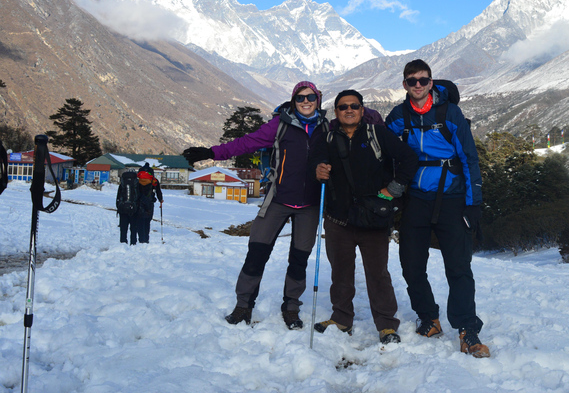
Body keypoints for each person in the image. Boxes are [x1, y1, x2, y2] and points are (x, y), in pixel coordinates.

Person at [182, 81, 327, 330]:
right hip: (277, 200)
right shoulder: (280, 125)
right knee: (256, 253)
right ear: (293, 101)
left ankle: (291, 307)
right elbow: (246, 143)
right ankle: (243, 305)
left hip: (310, 205)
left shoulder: (327, 128)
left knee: (299, 259)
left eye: (310, 97)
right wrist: (211, 152)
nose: (306, 101)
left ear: (318, 99)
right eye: (300, 97)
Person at [385, 59, 490, 358]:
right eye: (411, 80)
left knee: (458, 267)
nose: (417, 85)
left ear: (431, 83)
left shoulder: (449, 113)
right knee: (411, 263)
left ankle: (468, 329)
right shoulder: (398, 116)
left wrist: (474, 204)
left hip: (452, 198)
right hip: (416, 198)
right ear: (404, 84)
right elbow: (380, 149)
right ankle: (428, 317)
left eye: (423, 80)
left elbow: (469, 159)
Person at [311, 90, 418, 344]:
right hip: (338, 219)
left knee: (377, 273)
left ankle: (386, 325)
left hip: (373, 218)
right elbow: (314, 161)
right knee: (341, 271)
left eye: (354, 106)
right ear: (336, 111)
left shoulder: (376, 134)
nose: (349, 110)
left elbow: (409, 158)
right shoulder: (326, 136)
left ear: (362, 110)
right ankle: (341, 318)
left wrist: (394, 189)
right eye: (343, 106)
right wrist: (318, 170)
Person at [118, 163, 163, 245]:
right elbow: (158, 191)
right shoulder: (154, 181)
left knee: (139, 222)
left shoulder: (137, 180)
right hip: (149, 203)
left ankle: (137, 239)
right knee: (147, 222)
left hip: (138, 203)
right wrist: (160, 200)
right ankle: (145, 240)